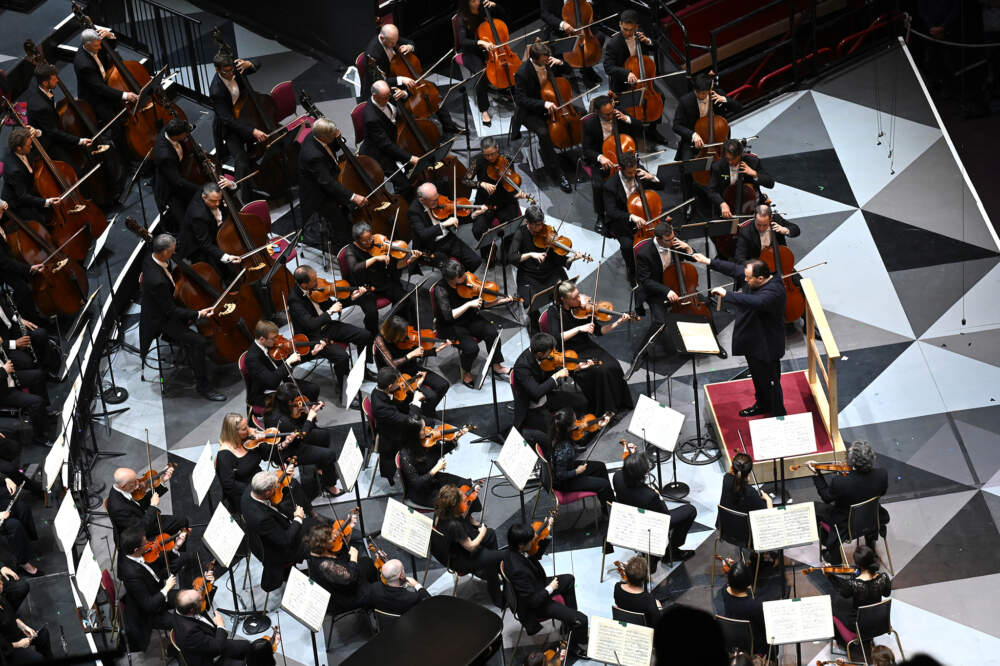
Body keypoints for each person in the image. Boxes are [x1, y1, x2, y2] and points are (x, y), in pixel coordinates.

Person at [692, 254, 786, 417]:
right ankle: (762, 404)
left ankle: (778, 413)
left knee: (770, 381)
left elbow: (757, 302)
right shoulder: (757, 278)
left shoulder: (774, 291)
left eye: (748, 278)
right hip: (754, 338)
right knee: (758, 378)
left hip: (767, 344)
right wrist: (708, 262)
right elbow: (735, 269)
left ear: (761, 278)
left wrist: (727, 295)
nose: (745, 280)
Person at [138, 233, 226, 401]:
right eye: (172, 252)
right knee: (198, 342)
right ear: (163, 252)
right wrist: (198, 313)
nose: (174, 254)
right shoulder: (157, 281)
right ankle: (203, 386)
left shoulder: (151, 256)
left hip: (166, 305)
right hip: (161, 319)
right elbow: (170, 311)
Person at [546, 280, 634, 415]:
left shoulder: (583, 309)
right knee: (601, 371)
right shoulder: (554, 312)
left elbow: (599, 331)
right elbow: (556, 337)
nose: (579, 299)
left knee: (614, 365)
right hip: (571, 352)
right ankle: (605, 410)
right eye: (574, 298)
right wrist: (579, 329)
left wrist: (617, 322)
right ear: (564, 299)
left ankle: (621, 403)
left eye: (578, 294)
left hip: (587, 346)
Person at [504, 522, 588, 662]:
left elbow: (535, 555)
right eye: (530, 540)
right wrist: (550, 589)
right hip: (536, 604)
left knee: (569, 580)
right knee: (582, 619)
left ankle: (569, 624)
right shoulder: (517, 569)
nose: (533, 540)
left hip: (536, 585)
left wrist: (546, 535)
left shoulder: (514, 550)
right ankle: (575, 645)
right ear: (520, 544)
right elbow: (532, 601)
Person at [363, 23, 462, 136]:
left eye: (396, 41)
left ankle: (449, 125)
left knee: (432, 88)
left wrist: (409, 47)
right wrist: (401, 80)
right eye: (392, 43)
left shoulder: (391, 36)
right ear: (382, 38)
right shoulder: (373, 55)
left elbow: (410, 42)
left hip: (403, 77)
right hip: (386, 86)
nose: (395, 44)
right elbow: (379, 82)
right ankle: (424, 135)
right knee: (407, 98)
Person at [288, 265, 374, 388]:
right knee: (342, 357)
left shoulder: (316, 289)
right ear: (304, 285)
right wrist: (329, 312)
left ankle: (364, 370)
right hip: (313, 337)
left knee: (365, 335)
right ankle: (344, 392)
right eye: (314, 280)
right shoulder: (294, 301)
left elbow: (333, 304)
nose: (318, 282)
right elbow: (310, 324)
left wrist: (352, 298)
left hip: (328, 326)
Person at [808, 441, 890, 565]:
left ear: (852, 462)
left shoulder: (840, 482)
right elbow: (880, 492)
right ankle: (870, 542)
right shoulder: (882, 474)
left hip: (846, 525)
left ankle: (833, 554)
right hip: (871, 518)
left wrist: (816, 475)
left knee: (814, 508)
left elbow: (826, 497)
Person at [432, 259, 511, 387]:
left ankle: (497, 366)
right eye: (461, 277)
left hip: (469, 318)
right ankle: (466, 371)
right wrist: (469, 304)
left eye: (463, 274)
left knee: (492, 333)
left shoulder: (468, 281)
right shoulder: (440, 289)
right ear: (451, 279)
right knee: (471, 349)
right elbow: (448, 316)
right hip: (451, 326)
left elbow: (481, 304)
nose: (465, 278)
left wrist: (499, 301)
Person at [116, 525, 193, 651]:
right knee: (185, 624)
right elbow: (148, 605)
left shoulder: (134, 553)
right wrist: (166, 588)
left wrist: (176, 547)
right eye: (144, 542)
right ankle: (176, 650)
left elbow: (158, 561)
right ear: (136, 549)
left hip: (157, 591)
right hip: (151, 612)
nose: (148, 543)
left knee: (189, 598)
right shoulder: (131, 575)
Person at [215, 412, 312, 512]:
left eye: (247, 426)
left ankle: (311, 512)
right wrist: (258, 489)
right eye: (244, 429)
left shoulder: (248, 441)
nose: (249, 430)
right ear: (233, 433)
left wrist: (284, 442)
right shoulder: (225, 455)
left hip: (263, 480)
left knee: (292, 483)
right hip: (250, 491)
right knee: (283, 503)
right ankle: (295, 519)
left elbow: (269, 455)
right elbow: (229, 485)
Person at [613, 450, 697, 566]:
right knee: (690, 510)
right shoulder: (650, 496)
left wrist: (634, 459)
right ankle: (672, 552)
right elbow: (665, 517)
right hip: (647, 524)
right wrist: (658, 496)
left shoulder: (617, 477)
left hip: (627, 518)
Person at [512, 41, 574, 193]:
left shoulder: (551, 63)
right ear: (535, 59)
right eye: (544, 58)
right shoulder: (522, 73)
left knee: (577, 119)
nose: (548, 60)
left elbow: (569, 71)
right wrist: (543, 103)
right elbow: (521, 100)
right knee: (544, 134)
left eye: (549, 57)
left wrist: (561, 63)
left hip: (556, 106)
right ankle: (557, 173)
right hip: (532, 111)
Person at [508, 204, 580, 333]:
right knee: (530, 303)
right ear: (527, 222)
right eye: (535, 225)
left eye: (541, 224)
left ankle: (566, 320)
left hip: (550, 271)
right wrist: (531, 254)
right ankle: (536, 330)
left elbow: (556, 257)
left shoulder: (548, 231)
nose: (540, 228)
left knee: (566, 292)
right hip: (529, 274)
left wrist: (570, 259)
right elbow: (512, 257)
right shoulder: (521, 233)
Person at [262, 382, 343, 496]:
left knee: (324, 436)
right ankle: (329, 485)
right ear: (289, 402)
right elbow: (301, 435)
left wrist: (305, 413)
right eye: (296, 398)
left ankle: (320, 468)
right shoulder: (280, 420)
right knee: (330, 455)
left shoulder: (279, 404)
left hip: (294, 439)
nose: (298, 400)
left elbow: (297, 426)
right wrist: (310, 417)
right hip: (289, 451)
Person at [298, 117, 367, 250]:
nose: (334, 136)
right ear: (323, 136)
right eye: (332, 135)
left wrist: (338, 138)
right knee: (341, 225)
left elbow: (333, 146)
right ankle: (347, 251)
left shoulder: (319, 135)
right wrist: (353, 196)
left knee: (349, 206)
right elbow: (327, 182)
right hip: (319, 194)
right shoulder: (313, 155)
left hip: (329, 177)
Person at [342, 221, 420, 338]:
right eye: (365, 241)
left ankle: (403, 329)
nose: (370, 242)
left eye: (370, 238)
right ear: (357, 240)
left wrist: (410, 260)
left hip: (383, 282)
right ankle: (372, 336)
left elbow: (396, 266)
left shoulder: (378, 243)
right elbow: (355, 268)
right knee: (372, 313)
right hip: (364, 288)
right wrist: (376, 259)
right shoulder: (350, 250)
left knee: (407, 300)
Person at [672, 73, 742, 201]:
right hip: (693, 142)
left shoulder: (717, 94)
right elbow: (676, 125)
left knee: (728, 162)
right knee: (686, 168)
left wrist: (725, 100)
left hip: (717, 142)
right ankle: (688, 201)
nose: (700, 96)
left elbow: (739, 108)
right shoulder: (685, 101)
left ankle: (724, 196)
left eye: (704, 93)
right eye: (698, 92)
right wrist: (693, 134)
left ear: (710, 89)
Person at [602, 10, 669, 146]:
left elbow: (657, 46)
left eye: (630, 30)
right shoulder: (613, 44)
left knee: (660, 97)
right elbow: (608, 67)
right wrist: (626, 73)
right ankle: (630, 132)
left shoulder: (640, 36)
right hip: (623, 85)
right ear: (620, 24)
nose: (627, 33)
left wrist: (648, 41)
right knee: (627, 106)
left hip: (644, 82)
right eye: (625, 29)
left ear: (636, 27)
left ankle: (652, 128)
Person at [511, 332, 587, 445]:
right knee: (554, 432)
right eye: (549, 352)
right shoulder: (522, 366)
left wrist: (575, 368)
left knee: (581, 401)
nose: (552, 355)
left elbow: (555, 368)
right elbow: (536, 393)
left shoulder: (543, 356)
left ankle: (573, 432)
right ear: (540, 354)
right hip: (533, 406)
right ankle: (568, 443)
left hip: (547, 396)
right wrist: (555, 377)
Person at [433, 484, 503, 607]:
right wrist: (482, 532)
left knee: (491, 535)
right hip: (458, 560)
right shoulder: (454, 525)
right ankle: (497, 596)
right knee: (492, 559)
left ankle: (487, 572)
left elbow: (466, 516)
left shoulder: (440, 511)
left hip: (449, 550)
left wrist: (471, 500)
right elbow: (471, 546)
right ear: (455, 507)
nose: (464, 498)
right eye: (462, 500)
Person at [604, 152, 664, 290]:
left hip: (645, 215)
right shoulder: (610, 185)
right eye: (629, 173)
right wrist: (631, 217)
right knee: (627, 246)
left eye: (634, 171)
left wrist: (652, 177)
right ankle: (633, 274)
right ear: (620, 169)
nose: (633, 175)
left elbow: (662, 186)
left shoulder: (639, 171)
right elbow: (612, 212)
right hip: (623, 220)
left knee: (663, 234)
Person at [209, 52, 265, 199]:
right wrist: (252, 131)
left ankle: (260, 181)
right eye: (225, 72)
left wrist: (249, 64)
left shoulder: (235, 68)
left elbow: (258, 63)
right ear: (217, 70)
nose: (229, 74)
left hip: (246, 113)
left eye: (231, 70)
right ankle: (243, 197)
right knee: (241, 161)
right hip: (231, 126)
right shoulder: (216, 90)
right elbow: (227, 119)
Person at [463, 136, 529, 258]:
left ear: (497, 148)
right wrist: (480, 183)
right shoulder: (477, 161)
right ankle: (488, 250)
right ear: (482, 153)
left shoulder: (506, 159)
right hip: (485, 203)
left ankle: (507, 248)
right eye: (487, 155)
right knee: (478, 230)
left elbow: (513, 182)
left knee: (511, 227)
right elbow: (465, 180)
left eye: (493, 154)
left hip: (505, 201)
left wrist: (506, 178)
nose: (491, 158)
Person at [240, 470, 307, 592]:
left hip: (260, 537)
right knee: (316, 538)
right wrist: (298, 518)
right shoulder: (261, 518)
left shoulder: (250, 489)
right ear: (267, 492)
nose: (277, 487)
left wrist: (283, 475)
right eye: (274, 487)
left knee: (294, 486)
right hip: (278, 552)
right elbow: (285, 540)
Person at [374, 314, 450, 417]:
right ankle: (423, 416)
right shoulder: (380, 340)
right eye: (403, 333)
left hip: (412, 368)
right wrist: (410, 355)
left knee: (443, 384)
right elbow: (391, 364)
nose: (407, 335)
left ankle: (427, 412)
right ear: (395, 334)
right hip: (398, 376)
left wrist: (436, 350)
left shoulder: (405, 337)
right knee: (431, 396)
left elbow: (416, 350)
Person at [582, 95, 639, 232]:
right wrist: (600, 157)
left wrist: (626, 119)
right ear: (597, 112)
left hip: (625, 158)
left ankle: (634, 209)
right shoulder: (590, 124)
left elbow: (639, 126)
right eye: (606, 115)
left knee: (640, 177)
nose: (610, 116)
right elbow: (586, 150)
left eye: (611, 112)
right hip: (604, 161)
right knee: (598, 185)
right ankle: (601, 216)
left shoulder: (618, 114)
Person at [543, 408, 615, 512]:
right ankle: (611, 510)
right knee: (604, 485)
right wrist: (577, 471)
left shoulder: (558, 432)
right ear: (568, 427)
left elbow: (577, 444)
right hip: (565, 481)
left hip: (568, 465)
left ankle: (608, 504)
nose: (577, 422)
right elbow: (560, 475)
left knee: (600, 466)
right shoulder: (564, 450)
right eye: (574, 420)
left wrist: (598, 426)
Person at [359, 80, 419, 199]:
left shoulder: (386, 93)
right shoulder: (371, 117)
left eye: (388, 96)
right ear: (374, 96)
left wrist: (404, 94)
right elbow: (385, 145)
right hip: (378, 152)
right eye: (385, 98)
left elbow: (405, 96)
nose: (388, 99)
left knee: (415, 168)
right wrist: (410, 158)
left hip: (393, 139)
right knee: (405, 185)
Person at [243, 320, 322, 410]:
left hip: (281, 381)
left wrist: (312, 353)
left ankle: (307, 415)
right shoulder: (252, 358)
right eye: (273, 338)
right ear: (262, 339)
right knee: (296, 401)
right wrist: (287, 363)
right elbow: (271, 381)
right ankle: (301, 418)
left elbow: (292, 358)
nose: (277, 340)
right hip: (266, 392)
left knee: (313, 389)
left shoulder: (270, 345)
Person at [305, 521, 379, 615]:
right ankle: (372, 604)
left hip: (336, 582)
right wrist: (353, 559)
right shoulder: (326, 565)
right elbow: (351, 579)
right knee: (377, 589)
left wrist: (348, 528)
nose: (335, 537)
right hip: (343, 598)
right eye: (331, 539)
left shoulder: (313, 550)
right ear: (323, 545)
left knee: (367, 562)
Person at [827, 545, 891, 652]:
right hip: (879, 620)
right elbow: (887, 593)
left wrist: (830, 576)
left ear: (858, 565)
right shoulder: (883, 578)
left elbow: (842, 591)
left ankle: (842, 642)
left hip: (859, 626)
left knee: (833, 608)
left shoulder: (855, 584)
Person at [399, 424, 478, 510]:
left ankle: (469, 517)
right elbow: (416, 484)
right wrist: (435, 469)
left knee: (467, 484)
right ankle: (450, 521)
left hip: (434, 479)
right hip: (422, 493)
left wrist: (456, 437)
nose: (426, 430)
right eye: (422, 429)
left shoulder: (426, 443)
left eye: (425, 427)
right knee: (455, 502)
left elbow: (441, 450)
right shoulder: (406, 454)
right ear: (414, 434)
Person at [26, 64, 93, 165]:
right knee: (71, 165)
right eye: (54, 79)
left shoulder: (36, 79)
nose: (57, 80)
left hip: (48, 121)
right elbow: (53, 132)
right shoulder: (42, 107)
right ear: (45, 83)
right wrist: (79, 140)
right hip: (47, 140)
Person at [409, 182, 486, 271]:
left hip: (448, 238)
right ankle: (453, 281)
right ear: (422, 200)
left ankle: (459, 281)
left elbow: (456, 217)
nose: (437, 201)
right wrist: (444, 224)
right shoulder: (414, 211)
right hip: (432, 247)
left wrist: (474, 214)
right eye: (433, 200)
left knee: (475, 261)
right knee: (453, 271)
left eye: (437, 197)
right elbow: (423, 234)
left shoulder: (439, 199)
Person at [455, 0, 507, 126]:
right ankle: (484, 109)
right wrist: (480, 42)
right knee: (481, 73)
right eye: (473, 1)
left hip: (489, 49)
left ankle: (505, 86)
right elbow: (463, 41)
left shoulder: (484, 9)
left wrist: (496, 6)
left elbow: (505, 17)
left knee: (505, 64)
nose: (478, 2)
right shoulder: (462, 18)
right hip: (471, 53)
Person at [171, 589, 257, 666]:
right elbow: (217, 648)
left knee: (248, 646)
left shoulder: (181, 608)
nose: (202, 596)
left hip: (209, 640)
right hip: (210, 658)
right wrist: (221, 626)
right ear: (192, 610)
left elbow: (204, 606)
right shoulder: (189, 632)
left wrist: (209, 585)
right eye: (200, 600)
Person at [371, 368, 426, 482]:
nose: (400, 383)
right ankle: (418, 462)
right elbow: (410, 420)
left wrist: (416, 383)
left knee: (424, 421)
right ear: (390, 386)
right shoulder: (381, 407)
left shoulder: (378, 390)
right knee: (418, 425)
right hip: (391, 434)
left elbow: (400, 400)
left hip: (393, 419)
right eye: (397, 382)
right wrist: (416, 401)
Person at [153, 118, 206, 234]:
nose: (187, 135)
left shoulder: (168, 129)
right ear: (176, 136)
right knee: (184, 223)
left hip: (179, 170)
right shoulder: (164, 155)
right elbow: (178, 182)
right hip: (169, 189)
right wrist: (201, 189)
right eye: (185, 134)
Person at [176, 182, 243, 275]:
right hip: (195, 245)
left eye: (219, 200)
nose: (217, 203)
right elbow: (205, 244)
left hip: (211, 231)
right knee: (215, 272)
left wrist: (231, 185)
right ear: (204, 197)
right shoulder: (198, 215)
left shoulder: (213, 192)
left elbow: (230, 194)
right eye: (213, 201)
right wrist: (227, 257)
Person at [73, 28, 135, 127]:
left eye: (100, 44)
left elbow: (111, 46)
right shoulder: (84, 65)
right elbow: (100, 89)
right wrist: (125, 95)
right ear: (87, 45)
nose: (100, 48)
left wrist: (110, 36)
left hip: (105, 83)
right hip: (95, 98)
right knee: (116, 124)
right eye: (97, 46)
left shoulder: (95, 44)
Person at [107, 466, 188, 540]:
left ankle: (173, 545)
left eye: (136, 480)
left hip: (141, 520)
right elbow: (142, 529)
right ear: (123, 486)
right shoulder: (118, 508)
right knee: (182, 521)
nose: (138, 484)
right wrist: (153, 506)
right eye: (134, 483)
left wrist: (162, 481)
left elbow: (142, 503)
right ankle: (174, 549)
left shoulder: (121, 488)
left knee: (180, 522)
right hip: (137, 534)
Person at [0, 201, 47, 323]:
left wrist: (3, 203)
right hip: (3, 270)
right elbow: (5, 263)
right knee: (23, 290)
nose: (2, 212)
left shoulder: (2, 217)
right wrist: (28, 269)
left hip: (10, 261)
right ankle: (33, 323)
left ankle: (39, 312)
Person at [539, 0, 602, 88]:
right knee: (555, 46)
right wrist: (562, 24)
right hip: (560, 29)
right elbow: (545, 14)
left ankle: (587, 68)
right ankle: (565, 71)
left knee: (600, 37)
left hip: (582, 23)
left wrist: (589, 2)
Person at [2, 128, 59, 223]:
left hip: (29, 188)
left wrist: (38, 132)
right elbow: (23, 196)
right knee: (40, 221)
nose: (31, 146)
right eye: (29, 145)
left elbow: (44, 143)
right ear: (19, 148)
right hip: (18, 203)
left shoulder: (23, 148)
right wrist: (46, 202)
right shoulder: (13, 170)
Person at [708, 139, 774, 221]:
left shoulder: (753, 162)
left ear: (740, 154)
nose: (731, 162)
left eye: (734, 158)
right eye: (728, 159)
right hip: (727, 208)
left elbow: (770, 183)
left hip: (751, 207)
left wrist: (754, 173)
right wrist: (722, 204)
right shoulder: (718, 166)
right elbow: (712, 190)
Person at [0, 575, 52, 662]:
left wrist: (24, 627)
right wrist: (18, 644)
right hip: (6, 645)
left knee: (43, 634)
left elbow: (12, 615)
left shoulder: (1, 597)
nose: (2, 584)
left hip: (13, 631)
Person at [722, 561, 767, 657]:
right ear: (748, 582)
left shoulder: (724, 591)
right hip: (752, 645)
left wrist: (734, 571)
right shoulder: (755, 606)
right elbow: (764, 627)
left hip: (733, 638)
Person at [733, 204, 800, 265]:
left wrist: (786, 230)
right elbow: (739, 258)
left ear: (771, 218)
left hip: (779, 260)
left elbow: (796, 229)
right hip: (758, 264)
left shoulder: (777, 219)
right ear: (755, 218)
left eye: (765, 225)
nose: (761, 229)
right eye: (758, 225)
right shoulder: (746, 232)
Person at [365, 558, 430, 615]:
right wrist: (417, 585)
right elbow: (430, 604)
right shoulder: (412, 598)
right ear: (401, 575)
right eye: (403, 569)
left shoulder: (374, 588)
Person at [613, 555, 664, 627]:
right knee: (658, 603)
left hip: (624, 621)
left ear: (626, 575)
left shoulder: (618, 587)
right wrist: (658, 606)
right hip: (642, 626)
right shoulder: (649, 600)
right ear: (644, 578)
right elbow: (655, 621)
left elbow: (617, 603)